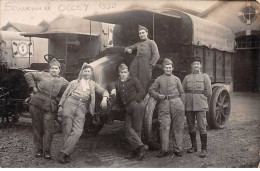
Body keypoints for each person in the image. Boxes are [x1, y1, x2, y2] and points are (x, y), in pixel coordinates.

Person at [55, 63, 109, 164]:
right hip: (70, 103)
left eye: (88, 71)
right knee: (67, 129)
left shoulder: (93, 84)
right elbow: (65, 94)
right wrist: (60, 106)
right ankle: (67, 154)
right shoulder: (74, 82)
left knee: (78, 131)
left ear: (92, 73)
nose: (86, 73)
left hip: (82, 107)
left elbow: (104, 91)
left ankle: (63, 152)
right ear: (82, 72)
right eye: (85, 71)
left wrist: (105, 99)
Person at [24, 58, 68, 159]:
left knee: (49, 129)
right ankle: (39, 149)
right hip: (36, 103)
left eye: (56, 68)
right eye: (52, 68)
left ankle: (47, 151)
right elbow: (27, 75)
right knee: (37, 127)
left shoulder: (62, 80)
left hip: (50, 106)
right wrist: (33, 87)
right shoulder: (42, 74)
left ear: (59, 70)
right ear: (49, 69)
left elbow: (72, 86)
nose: (54, 70)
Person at [110, 63, 148, 161]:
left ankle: (136, 151)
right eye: (121, 72)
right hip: (128, 108)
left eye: (125, 72)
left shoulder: (134, 80)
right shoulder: (118, 82)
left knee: (137, 128)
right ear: (119, 73)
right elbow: (111, 84)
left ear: (128, 73)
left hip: (137, 105)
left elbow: (142, 91)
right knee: (127, 128)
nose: (123, 74)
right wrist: (113, 89)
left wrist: (135, 100)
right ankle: (140, 147)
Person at [149, 58, 185, 158]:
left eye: (170, 67)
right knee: (164, 127)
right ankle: (164, 149)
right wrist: (158, 95)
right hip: (164, 104)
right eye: (166, 67)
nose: (168, 69)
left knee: (178, 127)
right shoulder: (159, 79)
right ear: (163, 69)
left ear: (172, 68)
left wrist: (182, 105)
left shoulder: (177, 79)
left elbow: (182, 93)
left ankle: (178, 149)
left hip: (177, 104)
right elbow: (151, 90)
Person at [182, 56, 212, 158]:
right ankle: (194, 146)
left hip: (200, 104)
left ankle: (204, 149)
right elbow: (182, 91)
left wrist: (201, 98)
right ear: (192, 65)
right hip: (189, 104)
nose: (196, 65)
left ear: (200, 65)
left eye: (198, 64)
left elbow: (209, 92)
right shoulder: (187, 78)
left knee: (202, 126)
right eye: (194, 64)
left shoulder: (205, 77)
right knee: (191, 126)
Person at [124, 25, 160, 93]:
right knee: (133, 79)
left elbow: (156, 55)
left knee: (144, 82)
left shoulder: (151, 42)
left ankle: (142, 98)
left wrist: (151, 65)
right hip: (135, 63)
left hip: (145, 64)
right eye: (140, 33)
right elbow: (127, 48)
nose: (141, 34)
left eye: (143, 32)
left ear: (147, 33)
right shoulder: (138, 44)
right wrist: (129, 49)